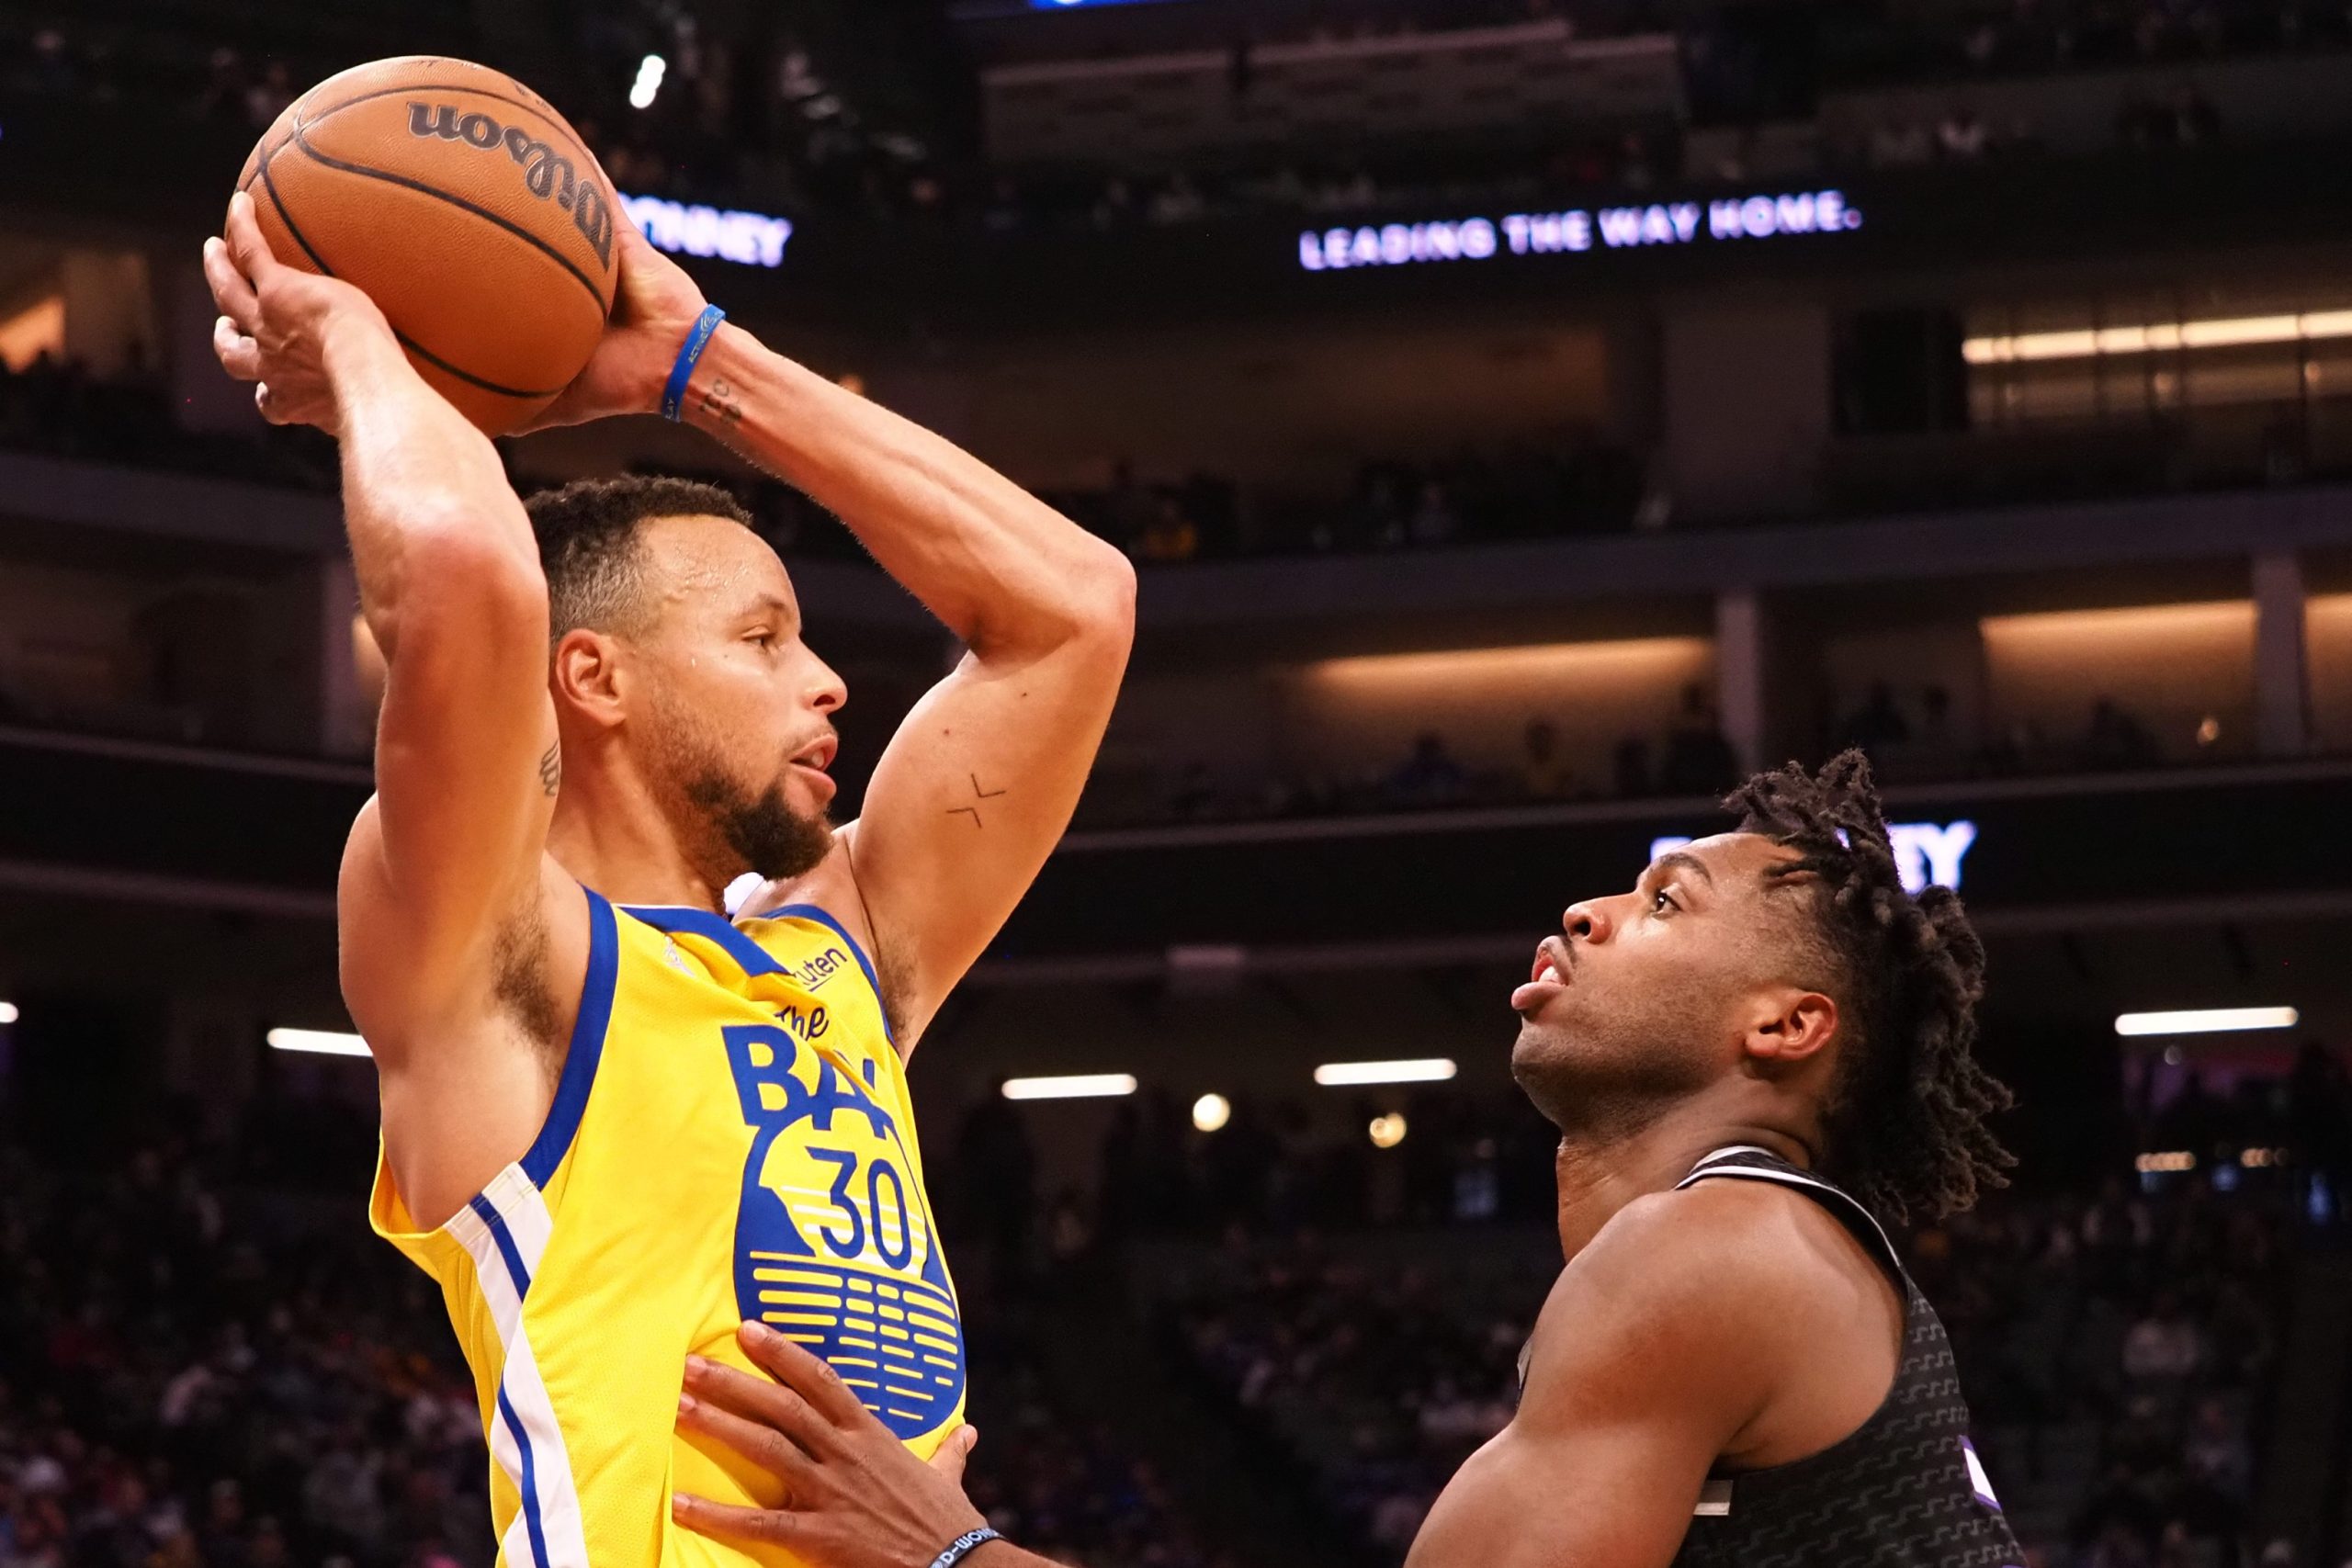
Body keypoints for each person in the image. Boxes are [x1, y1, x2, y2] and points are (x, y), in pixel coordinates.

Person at [201, 189, 1135, 1568]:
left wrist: (703, 364)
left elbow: (1076, 611)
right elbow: (465, 577)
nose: (827, 683)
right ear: (594, 679)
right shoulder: (509, 961)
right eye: (762, 639)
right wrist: (359, 350)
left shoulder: (846, 951)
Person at [667, 753, 2025, 1568]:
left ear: (1784, 1027)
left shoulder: (1712, 1256)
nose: (1592, 909)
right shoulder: (1764, 1257)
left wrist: (948, 1550)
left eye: (1668, 903)